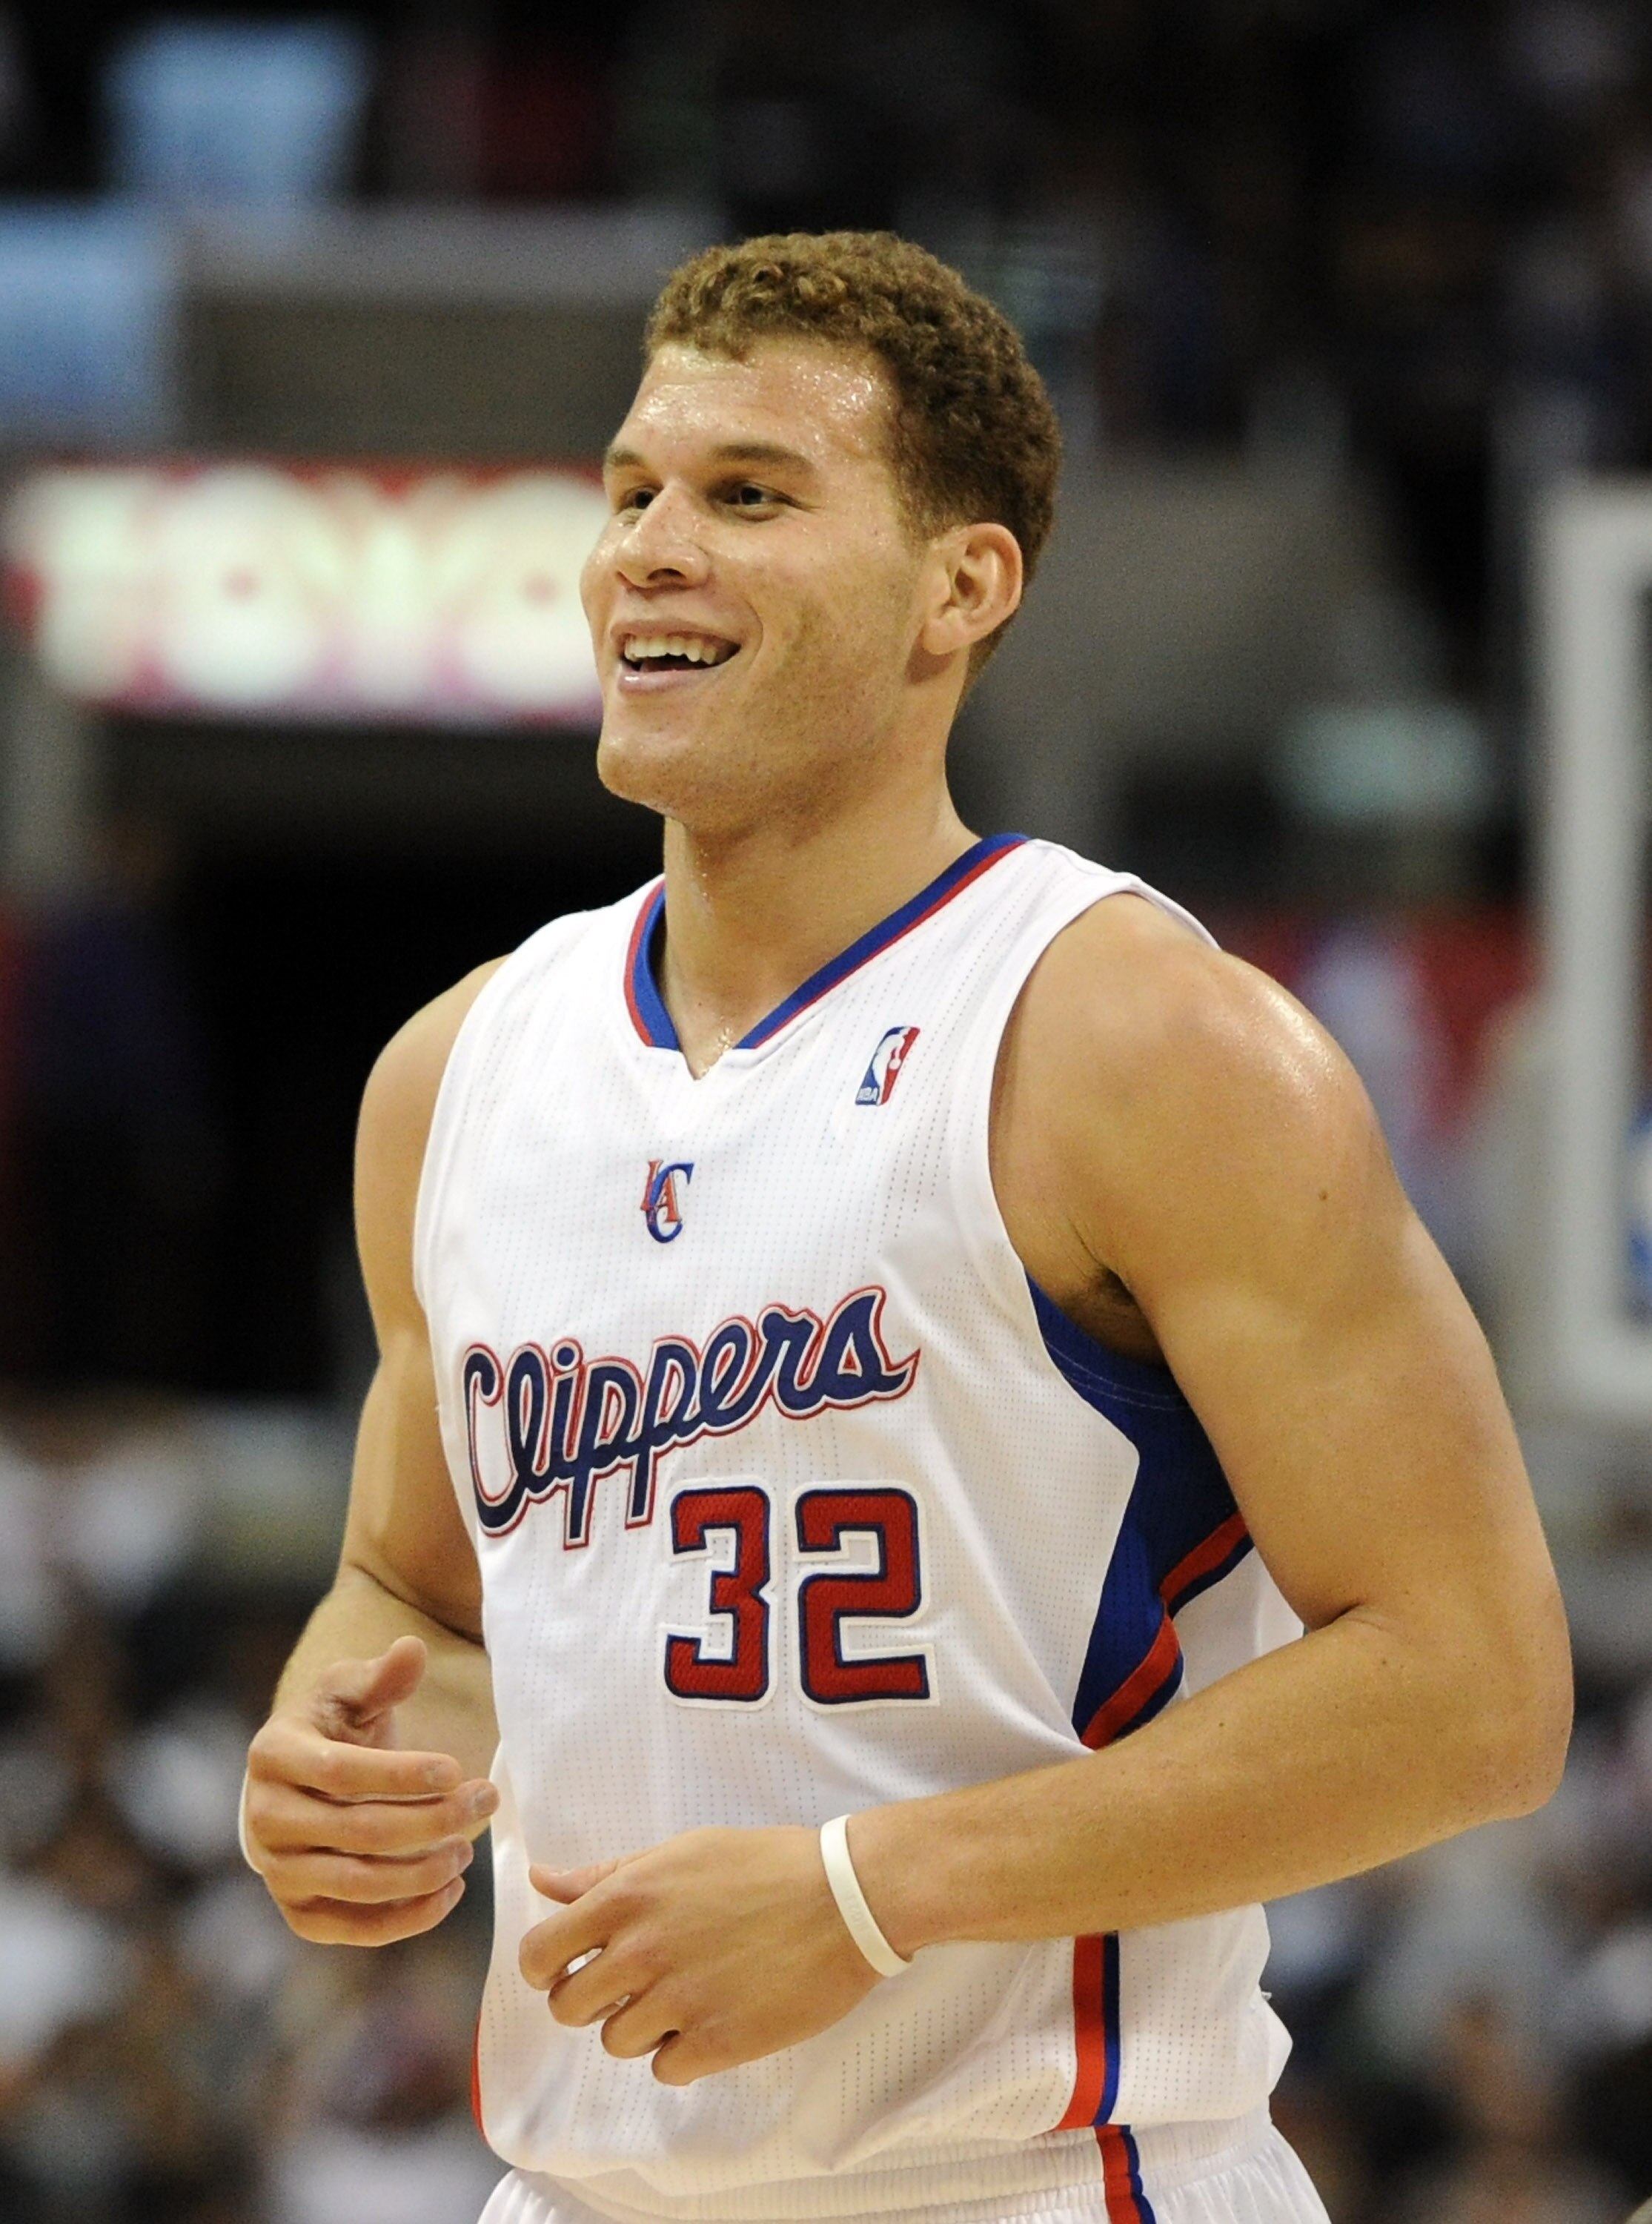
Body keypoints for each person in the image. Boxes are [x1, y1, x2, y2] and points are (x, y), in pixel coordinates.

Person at [242, 232, 1571, 2224]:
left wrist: (874, 1897)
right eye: (631, 494)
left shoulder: (1141, 1038)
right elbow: (416, 1604)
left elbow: (1473, 1692)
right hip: (580, 2186)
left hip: (1044, 2179)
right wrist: (348, 1756)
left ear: (963, 585)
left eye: (750, 496)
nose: (649, 551)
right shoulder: (454, 1075)